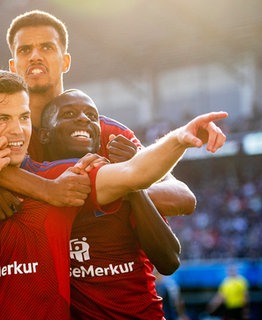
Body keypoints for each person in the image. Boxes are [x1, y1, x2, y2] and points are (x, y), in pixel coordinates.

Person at [0, 67, 228, 319]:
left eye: (23, 118)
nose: (16, 128)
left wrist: (179, 138)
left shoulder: (64, 175)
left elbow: (138, 175)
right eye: (2, 119)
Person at [0, 10, 197, 224]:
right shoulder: (1, 126)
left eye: (47, 47)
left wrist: (113, 187)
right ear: (13, 65)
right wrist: (44, 192)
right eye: (25, 50)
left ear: (66, 61)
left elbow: (182, 196)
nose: (35, 56)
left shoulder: (100, 129)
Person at [39, 89, 181, 319]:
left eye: (91, 115)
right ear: (44, 135)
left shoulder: (125, 183)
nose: (84, 118)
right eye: (69, 113)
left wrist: (132, 183)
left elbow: (169, 261)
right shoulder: (37, 183)